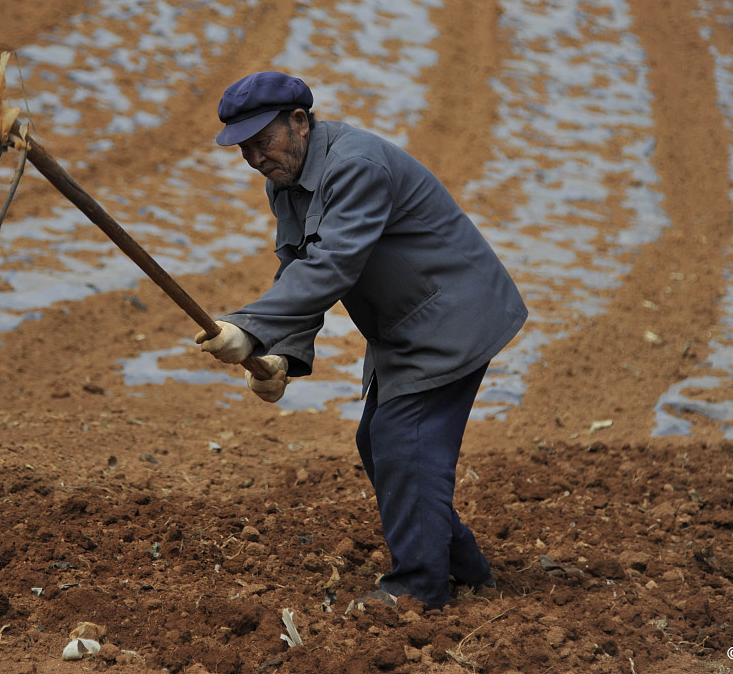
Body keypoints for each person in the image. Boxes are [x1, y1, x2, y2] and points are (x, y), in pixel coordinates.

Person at [195, 71, 527, 610]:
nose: (256, 158)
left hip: (450, 317)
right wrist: (281, 353)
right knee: (380, 443)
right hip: (406, 322)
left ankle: (418, 588)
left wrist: (249, 326)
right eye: (245, 149)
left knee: (404, 442)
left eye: (263, 142)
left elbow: (333, 264)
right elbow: (300, 266)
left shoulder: (355, 165)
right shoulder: (286, 182)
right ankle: (465, 570)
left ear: (299, 122)